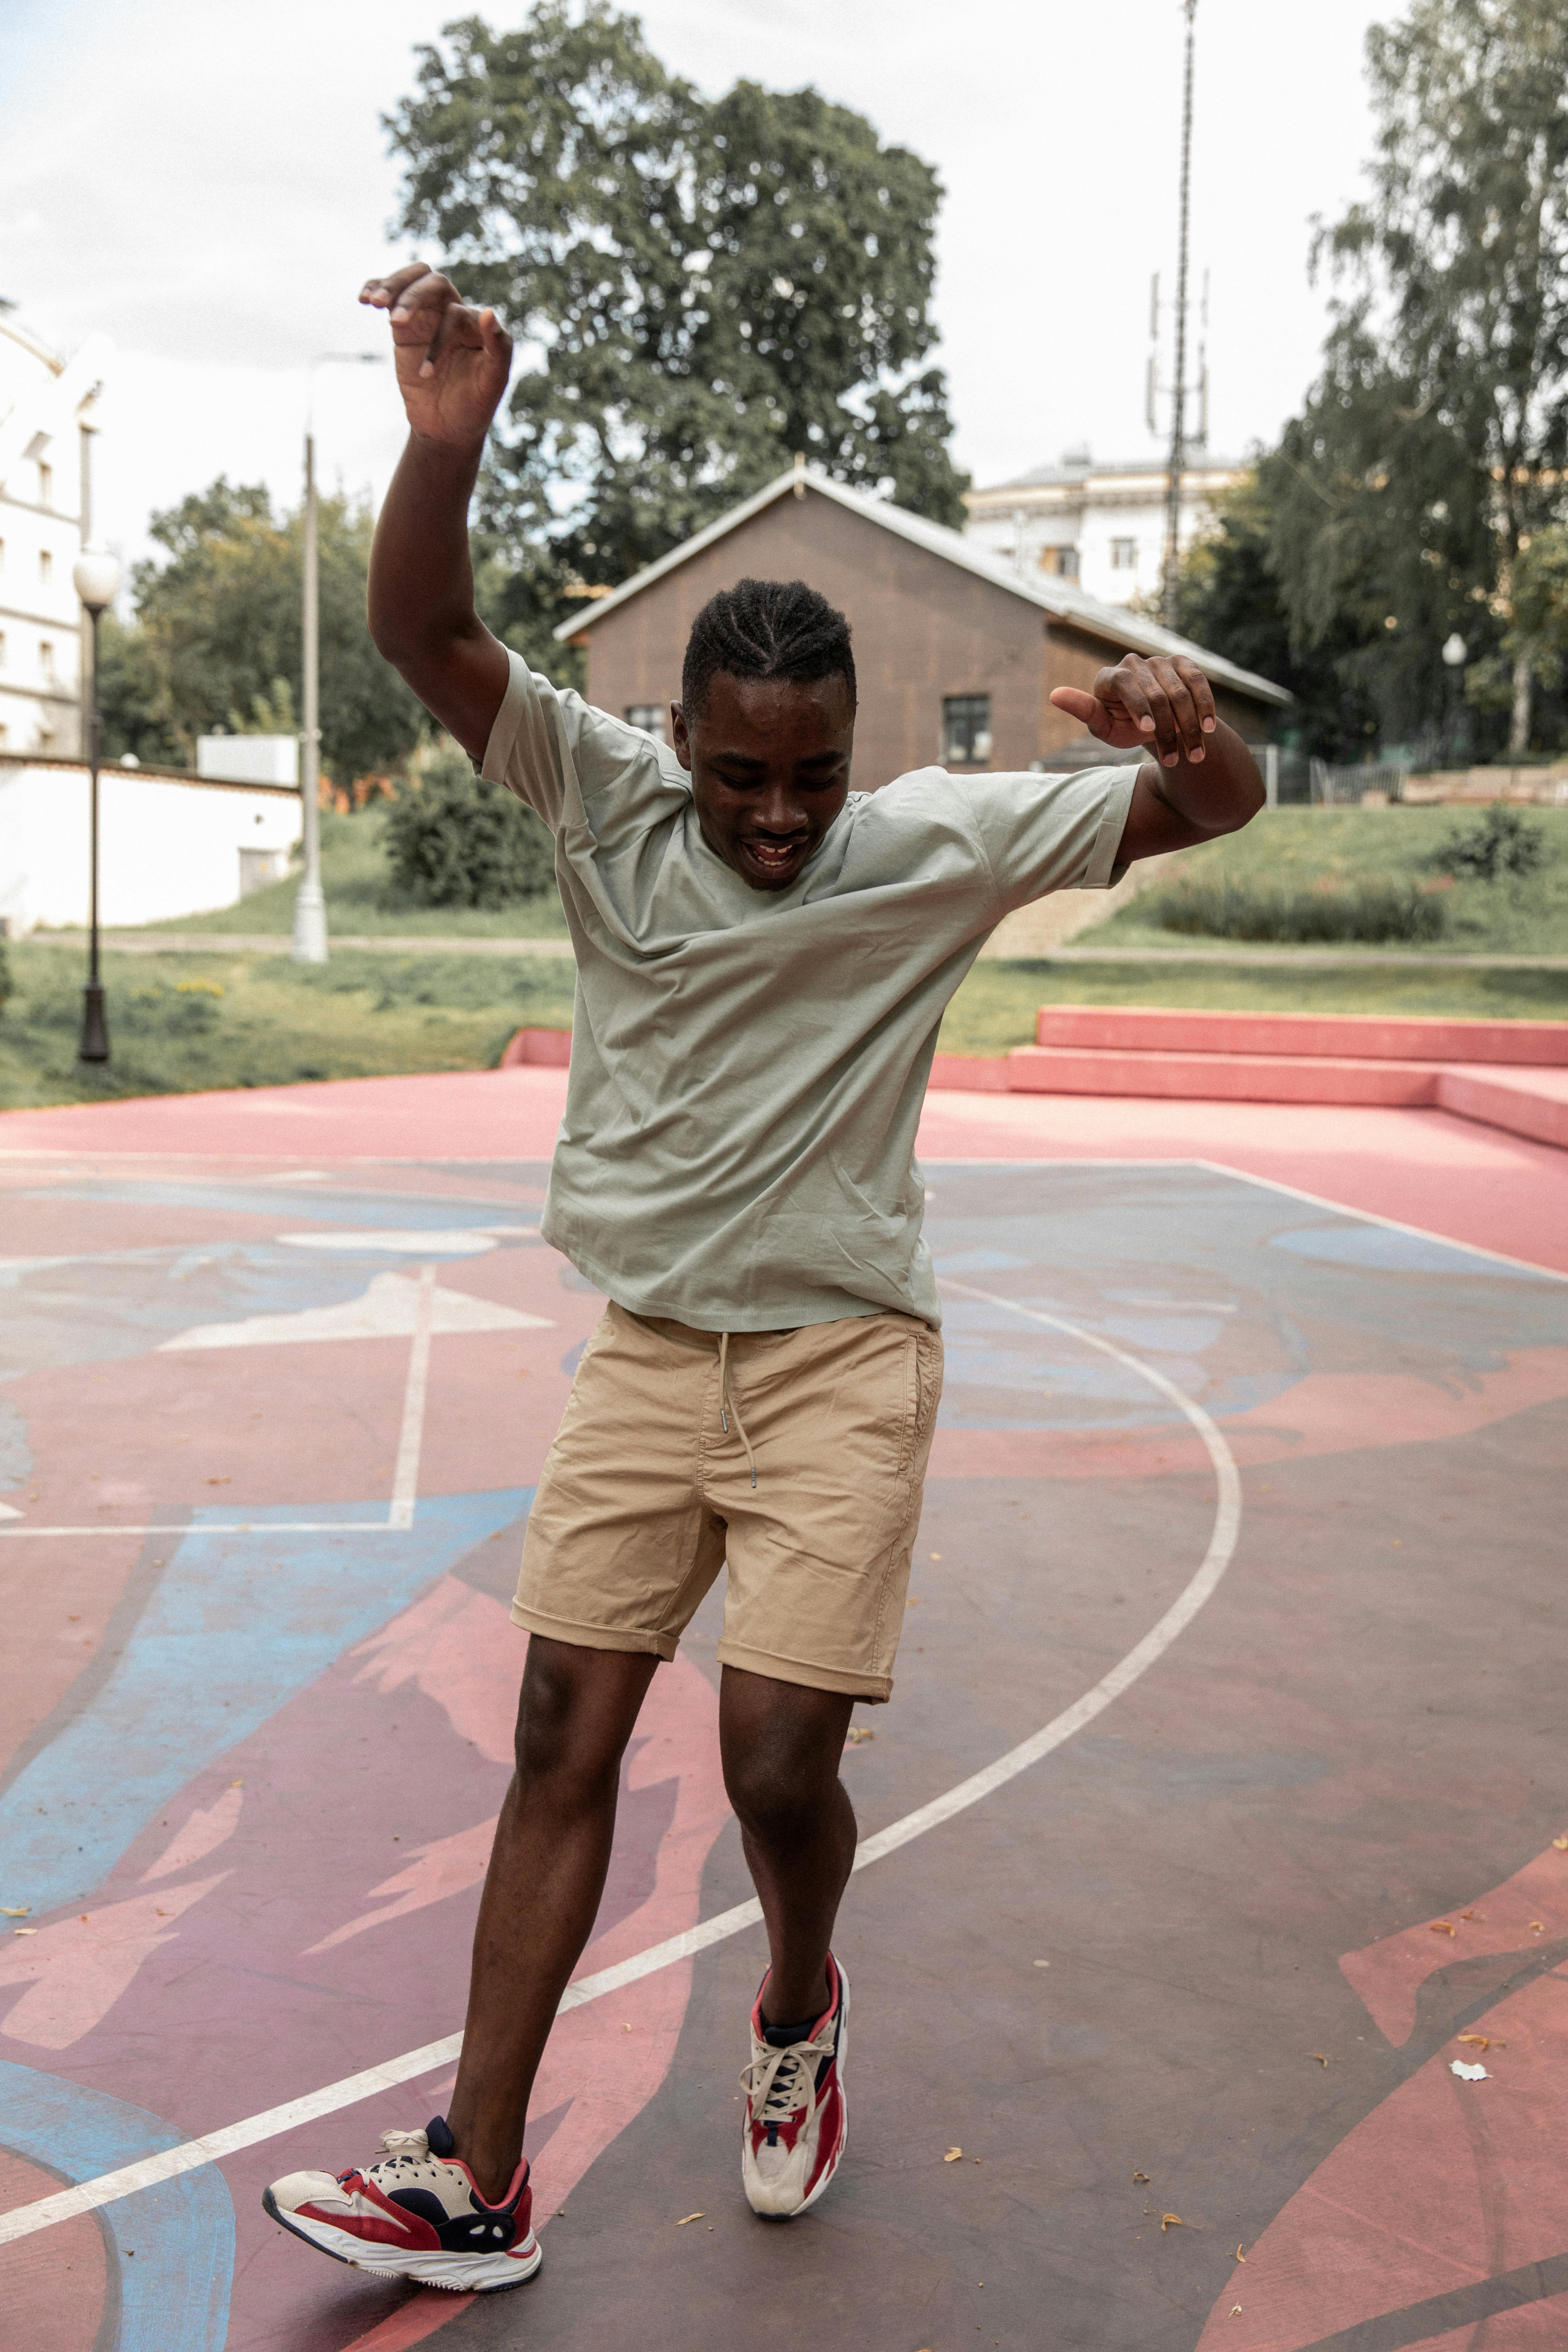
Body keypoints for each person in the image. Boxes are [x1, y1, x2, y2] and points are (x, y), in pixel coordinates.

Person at [263, 261, 1264, 2296]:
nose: (784, 815)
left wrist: (1203, 726)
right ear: (683, 741)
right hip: (647, 1355)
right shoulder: (594, 796)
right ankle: (476, 2172)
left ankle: (799, 2002)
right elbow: (421, 630)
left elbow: (1203, 805)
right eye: (745, 773)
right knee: (563, 1731)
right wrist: (442, 449)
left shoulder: (932, 845)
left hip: (839, 1365)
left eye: (813, 773)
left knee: (774, 1770)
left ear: (854, 750)